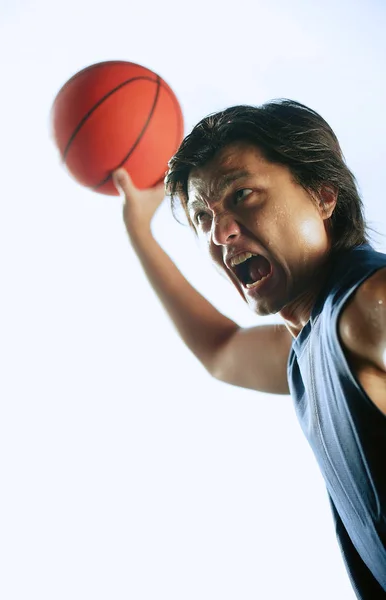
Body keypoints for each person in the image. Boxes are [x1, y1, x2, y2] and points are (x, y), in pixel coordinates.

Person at [112, 100, 386, 599]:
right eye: (202, 216)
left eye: (242, 195)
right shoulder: (314, 346)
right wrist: (138, 231)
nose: (220, 232)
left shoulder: (369, 303)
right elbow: (221, 351)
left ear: (323, 196)